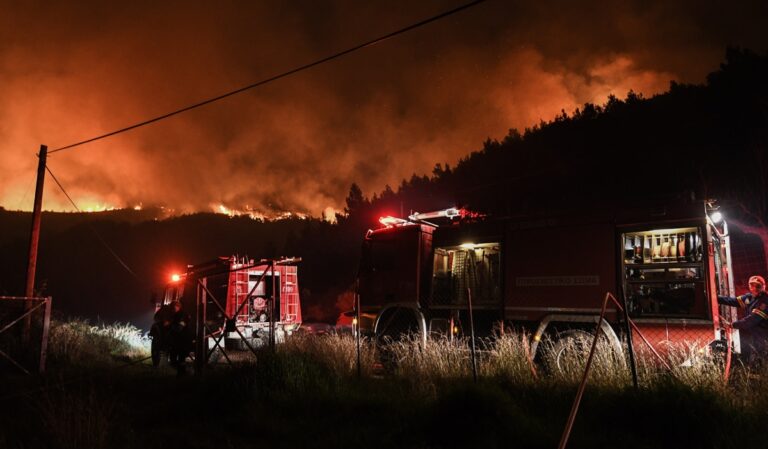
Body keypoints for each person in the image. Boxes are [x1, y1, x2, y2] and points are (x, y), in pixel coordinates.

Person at [718, 275, 768, 362]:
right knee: (752, 357)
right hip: (753, 334)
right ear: (749, 286)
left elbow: (752, 320)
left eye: (758, 286)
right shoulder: (750, 297)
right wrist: (716, 298)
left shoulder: (765, 300)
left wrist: (732, 325)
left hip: (763, 335)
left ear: (763, 287)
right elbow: (732, 301)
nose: (754, 288)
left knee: (761, 357)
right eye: (752, 285)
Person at [168, 300, 194, 376]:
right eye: (171, 308)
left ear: (178, 307)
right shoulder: (176, 315)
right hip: (178, 340)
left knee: (180, 358)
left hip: (183, 340)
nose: (172, 309)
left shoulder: (182, 315)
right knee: (175, 359)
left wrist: (170, 326)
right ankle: (183, 372)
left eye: (173, 307)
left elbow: (179, 328)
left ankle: (183, 373)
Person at [149, 302, 175, 367]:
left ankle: (158, 363)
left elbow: (156, 318)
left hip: (164, 335)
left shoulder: (165, 310)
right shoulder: (166, 310)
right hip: (163, 335)